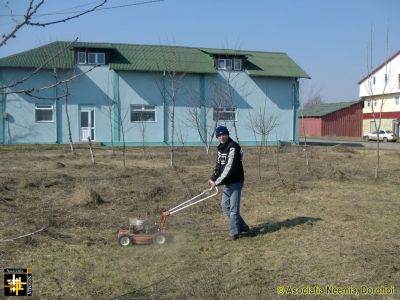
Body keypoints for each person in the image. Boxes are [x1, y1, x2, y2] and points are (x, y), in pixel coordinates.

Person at [208, 125, 249, 240]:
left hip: (236, 181)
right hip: (228, 182)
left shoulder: (233, 147)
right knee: (225, 206)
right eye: (219, 135)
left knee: (233, 209)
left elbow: (228, 168)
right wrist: (212, 178)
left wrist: (217, 182)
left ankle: (234, 233)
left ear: (227, 134)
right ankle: (242, 225)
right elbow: (218, 166)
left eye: (224, 134)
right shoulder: (220, 148)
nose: (222, 137)